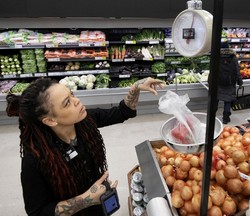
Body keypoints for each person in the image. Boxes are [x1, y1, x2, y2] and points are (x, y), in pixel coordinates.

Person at [6, 77, 165, 216]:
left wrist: (136, 87)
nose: (77, 101)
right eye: (67, 102)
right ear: (50, 121)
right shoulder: (35, 159)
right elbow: (37, 212)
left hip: (98, 206)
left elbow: (122, 112)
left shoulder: (84, 122)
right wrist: (86, 200)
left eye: (72, 94)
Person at [210, 41, 243, 124]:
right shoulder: (233, 57)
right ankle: (226, 118)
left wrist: (210, 81)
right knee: (228, 101)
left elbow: (212, 70)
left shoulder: (216, 56)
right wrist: (240, 81)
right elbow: (237, 70)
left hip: (217, 82)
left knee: (215, 100)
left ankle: (212, 117)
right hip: (230, 82)